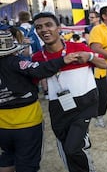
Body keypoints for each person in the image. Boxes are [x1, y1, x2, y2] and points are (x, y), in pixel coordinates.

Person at [31, 12, 107, 172]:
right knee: (66, 150)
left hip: (84, 106)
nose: (44, 30)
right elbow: (30, 82)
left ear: (58, 28)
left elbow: (104, 64)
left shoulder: (78, 48)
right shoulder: (38, 57)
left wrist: (90, 56)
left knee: (74, 147)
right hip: (59, 108)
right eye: (39, 27)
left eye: (48, 25)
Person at [0, 31, 80, 172]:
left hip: (2, 124)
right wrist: (62, 60)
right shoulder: (16, 62)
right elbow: (38, 70)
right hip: (27, 121)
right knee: (27, 163)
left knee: (8, 157)